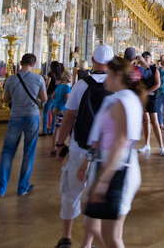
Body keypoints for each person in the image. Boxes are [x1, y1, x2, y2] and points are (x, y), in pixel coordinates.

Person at [78, 56, 144, 248]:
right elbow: (100, 137)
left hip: (118, 170)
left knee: (112, 236)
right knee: (93, 224)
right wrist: (88, 161)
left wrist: (102, 180)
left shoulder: (123, 102)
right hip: (107, 165)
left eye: (108, 74)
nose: (105, 78)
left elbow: (121, 144)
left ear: (118, 75)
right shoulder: (117, 100)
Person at [53, 45, 114, 248]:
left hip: (80, 148)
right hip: (104, 153)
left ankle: (66, 237)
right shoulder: (117, 86)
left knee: (71, 192)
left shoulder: (81, 85)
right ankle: (88, 243)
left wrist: (60, 145)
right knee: (95, 198)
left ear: (92, 59)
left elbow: (68, 119)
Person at [0, 54, 47, 199]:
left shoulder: (11, 79)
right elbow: (44, 99)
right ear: (34, 63)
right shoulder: (38, 78)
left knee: (7, 153)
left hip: (15, 116)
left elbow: (6, 100)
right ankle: (22, 187)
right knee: (28, 152)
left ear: (21, 63)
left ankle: (0, 189)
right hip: (32, 116)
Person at [128, 49, 164, 155]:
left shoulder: (154, 69)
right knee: (145, 120)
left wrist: (147, 92)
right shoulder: (139, 70)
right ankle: (146, 144)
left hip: (152, 97)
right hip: (142, 97)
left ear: (150, 59)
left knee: (154, 121)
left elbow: (157, 84)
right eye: (143, 57)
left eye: (147, 58)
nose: (145, 59)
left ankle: (161, 146)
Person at [49, 70, 72, 156]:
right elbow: (68, 100)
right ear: (69, 77)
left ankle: (56, 147)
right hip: (62, 109)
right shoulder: (67, 87)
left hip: (55, 108)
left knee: (57, 128)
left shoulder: (59, 86)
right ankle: (54, 149)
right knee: (58, 129)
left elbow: (52, 96)